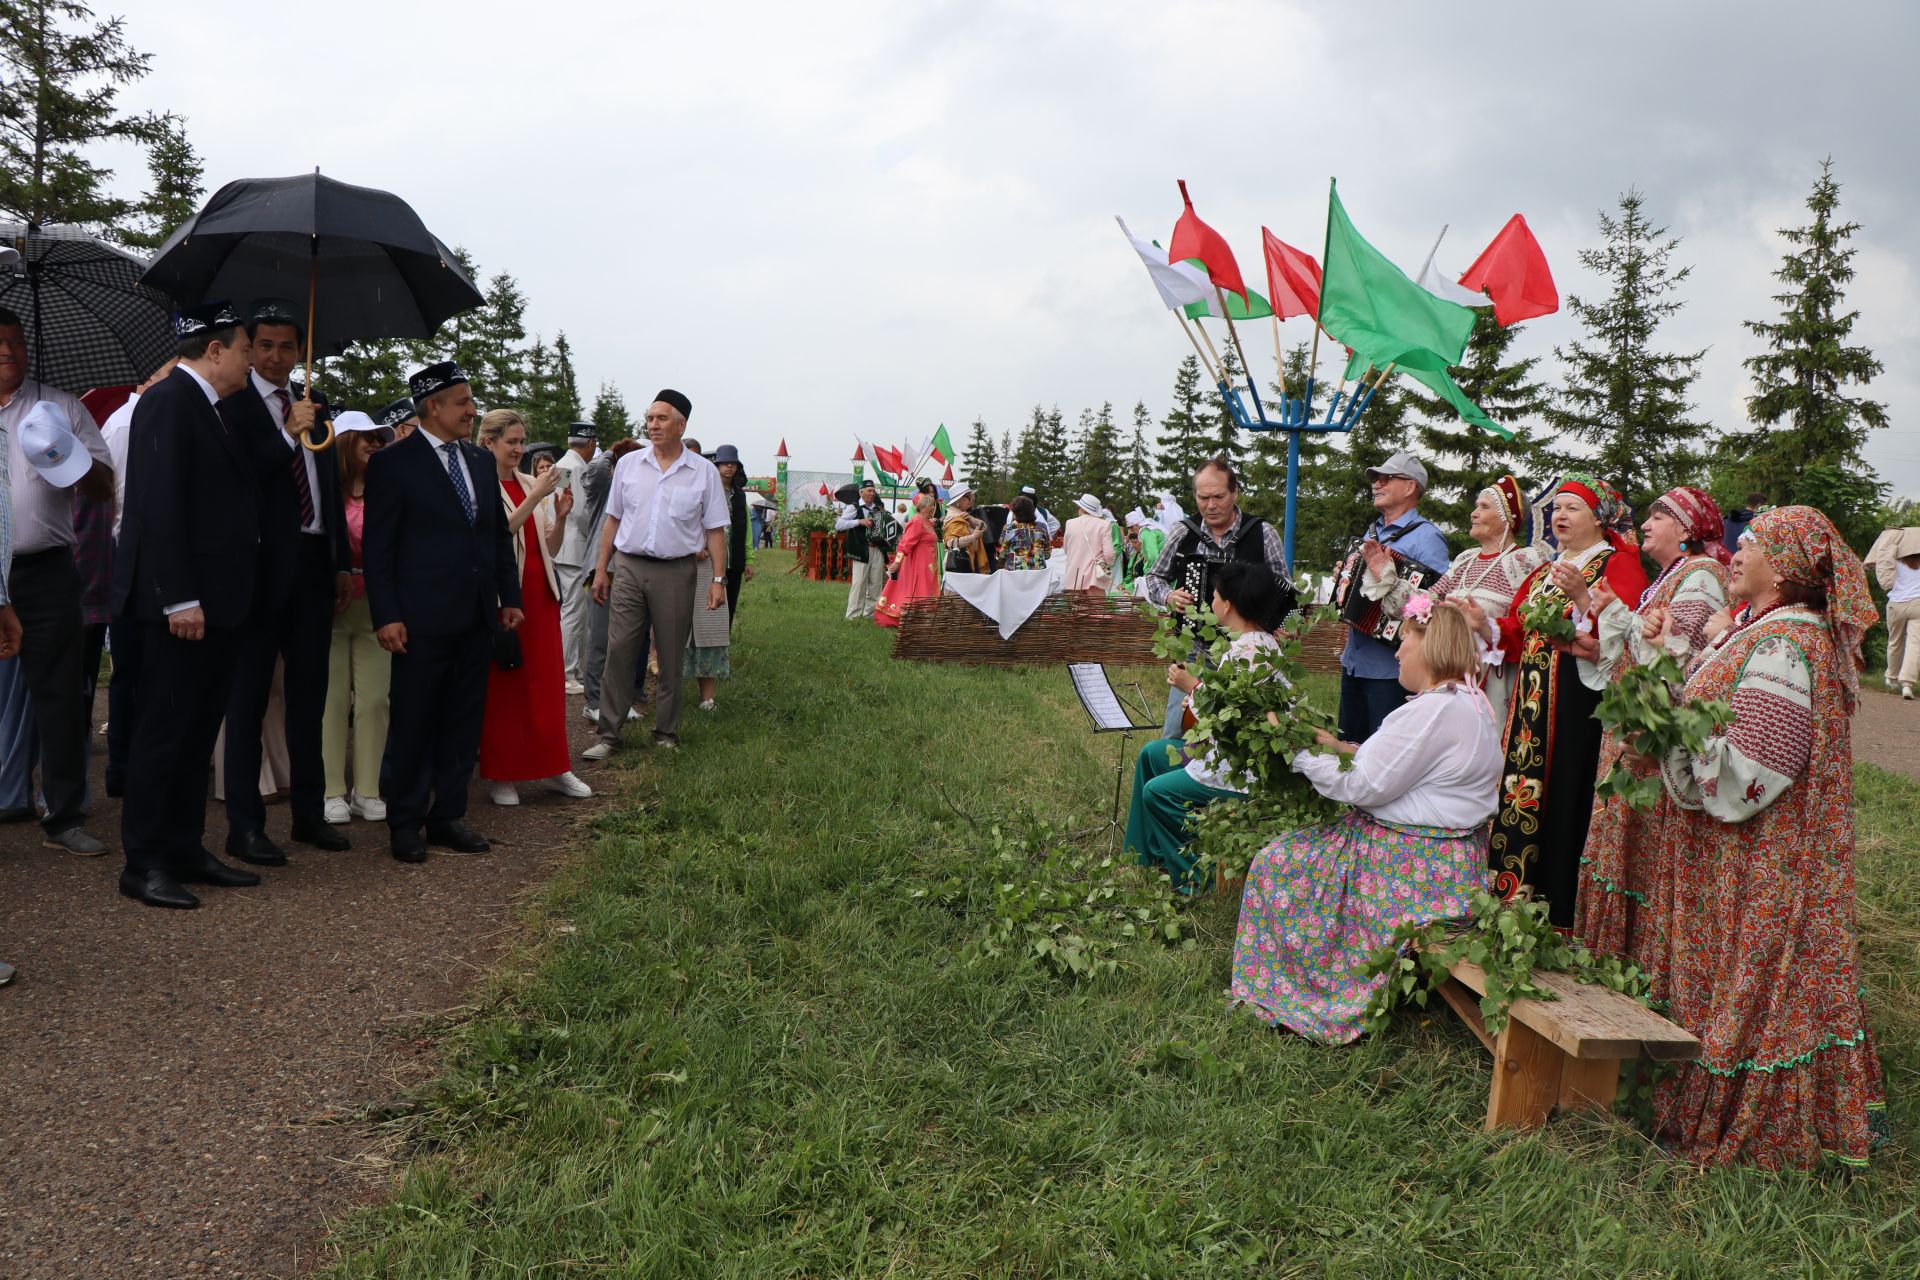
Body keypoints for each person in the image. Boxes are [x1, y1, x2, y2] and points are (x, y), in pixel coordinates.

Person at [1643, 506, 1886, 1169]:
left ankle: (1753, 1115)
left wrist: (1673, 726)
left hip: (1759, 855)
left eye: (1746, 546)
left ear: (1779, 569)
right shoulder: (1771, 631)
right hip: (1744, 853)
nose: (1733, 554)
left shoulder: (1783, 645)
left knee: (1759, 983)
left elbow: (1751, 774)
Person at [1230, 599, 1501, 1043]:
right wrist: (1338, 746)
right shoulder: (1464, 702)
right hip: (1449, 864)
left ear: (1429, 646)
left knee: (1276, 864)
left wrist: (1293, 750)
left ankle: (1300, 993)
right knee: (1293, 856)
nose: (1396, 654)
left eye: (1404, 641)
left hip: (1414, 868)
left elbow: (1363, 788)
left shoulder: (1432, 711)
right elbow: (1407, 772)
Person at [112, 302, 266, 908]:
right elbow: (158, 505)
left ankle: (183, 845)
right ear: (216, 350)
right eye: (247, 348)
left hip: (218, 605)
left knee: (197, 731)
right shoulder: (170, 400)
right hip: (179, 607)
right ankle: (143, 861)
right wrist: (179, 597)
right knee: (164, 732)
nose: (253, 359)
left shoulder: (214, 408)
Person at [1459, 473, 1648, 927]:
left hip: (1579, 706)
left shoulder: (1615, 566)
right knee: (1523, 795)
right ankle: (1512, 901)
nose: (1560, 516)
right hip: (1531, 708)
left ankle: (1559, 912)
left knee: (1566, 795)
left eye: (1572, 508)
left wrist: (1584, 600)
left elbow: (1624, 641)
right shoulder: (1544, 570)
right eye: (1557, 508)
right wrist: (1483, 624)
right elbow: (1520, 635)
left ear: (1599, 519)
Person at [363, 362, 523, 862]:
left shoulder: (478, 461)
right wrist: (386, 614)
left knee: (461, 720)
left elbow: (495, 534)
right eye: (463, 403)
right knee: (413, 722)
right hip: (419, 621)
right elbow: (378, 548)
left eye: (472, 402)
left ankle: (448, 816)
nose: (472, 411)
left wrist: (509, 596)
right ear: (433, 406)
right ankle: (405, 822)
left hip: (475, 618)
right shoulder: (393, 463)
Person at [219, 300, 354, 865]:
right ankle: (245, 826)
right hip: (258, 569)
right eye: (265, 345)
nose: (276, 356)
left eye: (286, 346)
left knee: (310, 696)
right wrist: (285, 435)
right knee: (248, 699)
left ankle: (307, 814)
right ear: (250, 348)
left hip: (314, 564)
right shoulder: (232, 405)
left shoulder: (313, 403)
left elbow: (331, 483)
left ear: (301, 350)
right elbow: (242, 479)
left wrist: (342, 561)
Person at [1574, 486, 1729, 959]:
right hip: (1635, 722)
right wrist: (1599, 645)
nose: (1644, 524)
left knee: (1637, 836)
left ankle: (1633, 952)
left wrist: (1599, 604)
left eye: (1657, 517)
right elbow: (1644, 649)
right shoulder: (1674, 575)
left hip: (1651, 732)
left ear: (1685, 529)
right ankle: (1611, 950)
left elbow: (1675, 663)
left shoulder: (1701, 576)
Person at [0, 305, 114, 855]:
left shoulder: (60, 408)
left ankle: (64, 815)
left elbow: (101, 488)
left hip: (44, 569)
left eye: (16, 343)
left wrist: (64, 457)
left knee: (61, 696)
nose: (8, 353)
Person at [1126, 562, 1296, 892]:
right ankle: (1146, 855)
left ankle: (1194, 880)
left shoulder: (1253, 651)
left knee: (1158, 793)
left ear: (1228, 604)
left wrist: (1192, 686)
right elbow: (1229, 701)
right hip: (1226, 752)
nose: (1211, 602)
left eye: (1215, 596)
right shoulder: (1249, 644)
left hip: (1241, 769)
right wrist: (1199, 693)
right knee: (1153, 754)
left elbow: (1239, 716)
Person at [584, 390, 726, 759]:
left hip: (677, 572)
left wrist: (718, 580)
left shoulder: (703, 472)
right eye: (649, 418)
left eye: (662, 418)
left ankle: (666, 733)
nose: (653, 425)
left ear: (681, 424)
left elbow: (714, 531)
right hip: (629, 567)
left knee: (671, 654)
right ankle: (609, 735)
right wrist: (602, 569)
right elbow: (612, 520)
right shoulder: (630, 465)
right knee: (620, 649)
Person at [475, 410, 592, 806]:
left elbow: (551, 547)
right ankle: (503, 774)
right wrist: (538, 496)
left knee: (546, 684)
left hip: (541, 592)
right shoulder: (482, 482)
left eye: (522, 441)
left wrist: (558, 518)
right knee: (506, 684)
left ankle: (555, 766)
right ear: (488, 441)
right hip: (505, 596)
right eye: (512, 441)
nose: (520, 449)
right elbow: (499, 530)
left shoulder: (527, 481)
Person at [1360, 475, 1544, 718]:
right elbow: (1425, 606)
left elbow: (1528, 625)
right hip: (1448, 675)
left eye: (1484, 507)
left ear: (1508, 518)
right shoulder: (1465, 560)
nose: (1474, 513)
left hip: (1493, 681)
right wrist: (1387, 577)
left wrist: (1483, 625)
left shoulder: (1524, 560)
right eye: (1476, 506)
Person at [1142, 457, 1290, 738]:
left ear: (1234, 493)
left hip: (1248, 656)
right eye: (1203, 497)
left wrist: (1282, 624)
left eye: (1219, 496)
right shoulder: (1184, 532)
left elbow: (1283, 589)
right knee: (1178, 734)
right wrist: (1169, 596)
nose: (1211, 505)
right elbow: (1154, 578)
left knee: (1239, 736)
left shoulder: (1262, 533)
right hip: (1194, 648)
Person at [97, 358, 175, 798]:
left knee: (149, 668)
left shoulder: (148, 416)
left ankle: (138, 763)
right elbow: (116, 499)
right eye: (170, 375)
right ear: (149, 379)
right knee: (131, 667)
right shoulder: (127, 423)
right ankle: (125, 767)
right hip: (130, 549)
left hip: (142, 548)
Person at [1336, 452, 1453, 745]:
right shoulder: (1373, 530)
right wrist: (1346, 577)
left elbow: (1434, 605)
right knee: (1347, 750)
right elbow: (1361, 589)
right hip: (1355, 661)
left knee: (1384, 752)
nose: (1377, 483)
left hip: (1393, 670)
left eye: (1386, 478)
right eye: (1375, 478)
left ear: (1410, 487)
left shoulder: (1427, 537)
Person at [319, 412, 393, 824]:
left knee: (374, 700)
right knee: (331, 700)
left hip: (376, 606)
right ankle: (331, 790)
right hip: (332, 605)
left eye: (379, 439)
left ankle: (367, 789)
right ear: (345, 441)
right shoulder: (327, 493)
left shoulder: (386, 490)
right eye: (366, 438)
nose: (374, 444)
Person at [579, 437, 645, 725]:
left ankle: (620, 700)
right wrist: (612, 451)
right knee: (600, 639)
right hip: (602, 571)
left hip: (633, 572)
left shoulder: (643, 490)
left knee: (626, 643)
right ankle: (593, 701)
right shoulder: (605, 485)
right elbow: (591, 474)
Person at [552, 422, 597, 691]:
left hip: (565, 546)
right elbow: (579, 512)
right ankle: (566, 672)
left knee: (575, 611)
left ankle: (573, 669)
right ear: (591, 444)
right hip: (576, 548)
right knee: (573, 612)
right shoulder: (578, 467)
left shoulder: (563, 463)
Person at [875, 492, 940, 627]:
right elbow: (905, 544)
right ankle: (913, 622)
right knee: (919, 592)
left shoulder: (927, 522)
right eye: (930, 505)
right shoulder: (916, 521)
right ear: (922, 507)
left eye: (933, 505)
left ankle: (920, 622)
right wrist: (898, 562)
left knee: (925, 592)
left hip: (929, 566)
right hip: (918, 566)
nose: (933, 508)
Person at [1867, 537, 1920, 700]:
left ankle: (1891, 679)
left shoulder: (1894, 560)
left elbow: (1879, 566)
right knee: (1915, 644)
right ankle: (1907, 685)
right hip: (1918, 603)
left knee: (1895, 641)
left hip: (1896, 604)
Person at [710, 444, 753, 626]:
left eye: (733, 464)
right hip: (710, 559)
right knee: (708, 602)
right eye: (725, 463)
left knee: (730, 603)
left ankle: (723, 644)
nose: (729, 467)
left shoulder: (740, 495)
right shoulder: (708, 490)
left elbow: (747, 529)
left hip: (734, 559)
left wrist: (749, 559)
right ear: (717, 466)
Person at [838, 477, 890, 621]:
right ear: (861, 492)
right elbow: (839, 524)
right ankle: (853, 616)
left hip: (877, 549)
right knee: (859, 584)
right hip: (861, 549)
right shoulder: (854, 507)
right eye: (869, 490)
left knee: (876, 584)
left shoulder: (879, 508)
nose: (872, 493)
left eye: (873, 490)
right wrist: (859, 521)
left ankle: (871, 615)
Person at [1061, 493, 1116, 591]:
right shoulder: (1104, 524)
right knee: (1095, 606)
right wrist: (1106, 564)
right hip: (1095, 578)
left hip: (1073, 577)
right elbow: (1109, 554)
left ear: (1081, 508)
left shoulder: (1069, 523)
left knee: (1075, 606)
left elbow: (1066, 550)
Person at [941, 483, 988, 576]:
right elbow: (951, 542)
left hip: (964, 561)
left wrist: (971, 519)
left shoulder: (962, 515)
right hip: (959, 563)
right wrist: (974, 536)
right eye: (968, 497)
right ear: (958, 500)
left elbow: (984, 527)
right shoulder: (954, 518)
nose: (971, 500)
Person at [1000, 495, 1050, 570]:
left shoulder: (1008, 528)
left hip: (1014, 575)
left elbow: (1002, 555)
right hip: (1038, 575)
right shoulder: (1042, 528)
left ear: (1015, 513)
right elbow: (1047, 555)